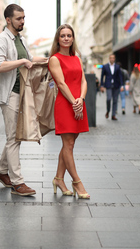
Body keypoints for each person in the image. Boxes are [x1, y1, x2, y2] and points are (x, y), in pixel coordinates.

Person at [0, 4, 47, 196]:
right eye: (19, 18)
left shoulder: (19, 39)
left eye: (23, 18)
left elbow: (31, 58)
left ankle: (1, 171)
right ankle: (17, 183)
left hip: (21, 93)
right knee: (14, 138)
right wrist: (22, 62)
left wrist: (53, 59)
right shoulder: (1, 40)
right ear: (8, 20)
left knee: (14, 137)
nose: (22, 21)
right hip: (9, 95)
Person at [48, 24, 90, 199]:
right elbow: (61, 84)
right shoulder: (54, 59)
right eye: (63, 35)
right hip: (65, 105)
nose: (66, 38)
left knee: (69, 144)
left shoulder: (77, 58)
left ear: (73, 38)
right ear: (58, 39)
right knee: (69, 145)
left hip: (78, 103)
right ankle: (77, 182)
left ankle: (58, 178)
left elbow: (83, 81)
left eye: (69, 35)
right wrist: (74, 102)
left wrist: (81, 98)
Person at [100, 54, 124, 120]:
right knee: (109, 99)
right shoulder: (105, 66)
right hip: (108, 85)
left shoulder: (117, 67)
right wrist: (101, 85)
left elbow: (120, 76)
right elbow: (102, 77)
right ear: (109, 58)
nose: (112, 59)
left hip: (116, 85)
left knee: (115, 100)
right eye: (111, 58)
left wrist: (122, 85)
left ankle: (113, 115)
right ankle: (108, 111)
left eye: (113, 58)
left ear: (115, 59)